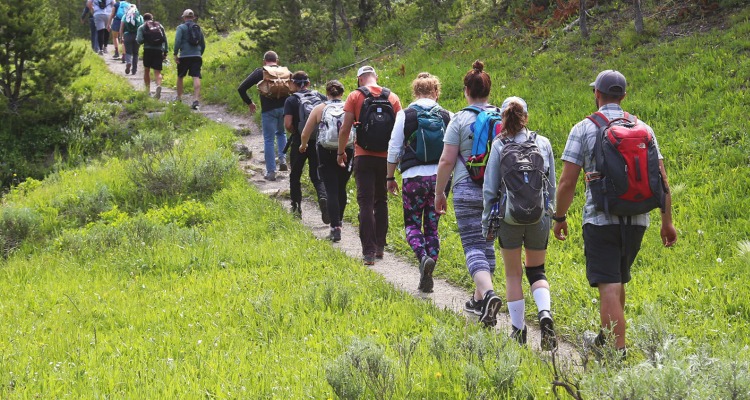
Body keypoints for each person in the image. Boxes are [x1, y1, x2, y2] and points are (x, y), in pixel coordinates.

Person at [553, 70, 677, 356]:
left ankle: (616, 353)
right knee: (617, 278)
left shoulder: (583, 128)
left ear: (597, 93)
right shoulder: (644, 128)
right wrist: (667, 222)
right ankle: (604, 339)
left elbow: (567, 182)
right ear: (623, 96)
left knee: (608, 285)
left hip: (600, 218)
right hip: (638, 218)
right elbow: (662, 179)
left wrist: (559, 217)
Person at [482, 96, 557, 348]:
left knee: (513, 274)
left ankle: (518, 331)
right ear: (526, 116)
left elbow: (490, 188)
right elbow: (552, 185)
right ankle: (545, 314)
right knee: (537, 270)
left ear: (503, 118)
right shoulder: (543, 143)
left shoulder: (500, 145)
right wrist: (551, 212)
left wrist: (486, 223)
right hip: (539, 217)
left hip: (509, 217)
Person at [435, 60, 501, 327]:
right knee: (487, 245)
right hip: (496, 192)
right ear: (488, 90)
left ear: (466, 90)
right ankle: (478, 302)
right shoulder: (503, 116)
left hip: (465, 188)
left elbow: (446, 161)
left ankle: (488, 295)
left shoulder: (459, 119)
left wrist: (440, 192)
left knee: (473, 246)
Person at [386, 72, 451, 293]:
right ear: (436, 91)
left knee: (412, 224)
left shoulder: (406, 114)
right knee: (432, 227)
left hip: (413, 177)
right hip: (440, 180)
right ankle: (430, 262)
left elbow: (394, 148)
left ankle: (423, 257)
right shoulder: (446, 115)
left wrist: (389, 177)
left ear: (415, 91)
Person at [337, 66, 402, 265]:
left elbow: (345, 128)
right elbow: (400, 130)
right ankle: (381, 246)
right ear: (376, 77)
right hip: (386, 157)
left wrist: (340, 153)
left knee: (365, 202)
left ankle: (368, 252)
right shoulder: (393, 97)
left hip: (363, 155)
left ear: (359, 79)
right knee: (381, 200)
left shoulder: (355, 96)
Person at [299, 80, 354, 242]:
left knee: (331, 190)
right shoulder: (349, 107)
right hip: (346, 150)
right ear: (342, 93)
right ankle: (340, 222)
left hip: (325, 151)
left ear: (327, 92)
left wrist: (303, 146)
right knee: (341, 188)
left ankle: (334, 227)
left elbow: (305, 133)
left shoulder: (319, 108)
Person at [237, 51, 290, 181]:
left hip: (268, 110)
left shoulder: (260, 72)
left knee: (268, 140)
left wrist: (250, 103)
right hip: (284, 108)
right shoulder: (285, 71)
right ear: (277, 60)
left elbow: (241, 88)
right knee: (281, 133)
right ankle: (283, 160)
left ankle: (271, 172)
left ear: (264, 61)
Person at [283, 71, 328, 221]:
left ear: (294, 84)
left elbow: (288, 124)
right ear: (308, 83)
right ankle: (323, 198)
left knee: (295, 175)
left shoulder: (291, 100)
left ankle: (296, 209)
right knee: (317, 175)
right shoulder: (320, 97)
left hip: (299, 142)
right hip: (318, 142)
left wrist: (297, 132)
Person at [174, 9, 206, 110]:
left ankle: (179, 98)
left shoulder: (181, 27)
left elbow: (177, 41)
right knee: (196, 76)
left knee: (180, 76)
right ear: (193, 18)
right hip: (196, 56)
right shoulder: (197, 28)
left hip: (184, 56)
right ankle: (196, 100)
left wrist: (175, 53)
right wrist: (199, 54)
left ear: (184, 17)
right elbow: (203, 43)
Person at [136, 13, 168, 97]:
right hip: (158, 51)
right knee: (157, 71)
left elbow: (139, 40)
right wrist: (165, 52)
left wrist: (146, 40)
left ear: (144, 19)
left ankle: (147, 91)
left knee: (147, 70)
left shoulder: (142, 27)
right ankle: (158, 85)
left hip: (148, 50)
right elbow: (165, 39)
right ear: (152, 18)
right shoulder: (159, 26)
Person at [119, 4, 142, 75]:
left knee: (128, 52)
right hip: (136, 36)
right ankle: (134, 70)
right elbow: (142, 28)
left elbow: (121, 27)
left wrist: (121, 37)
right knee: (135, 53)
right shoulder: (139, 16)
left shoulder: (125, 16)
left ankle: (128, 62)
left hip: (127, 35)